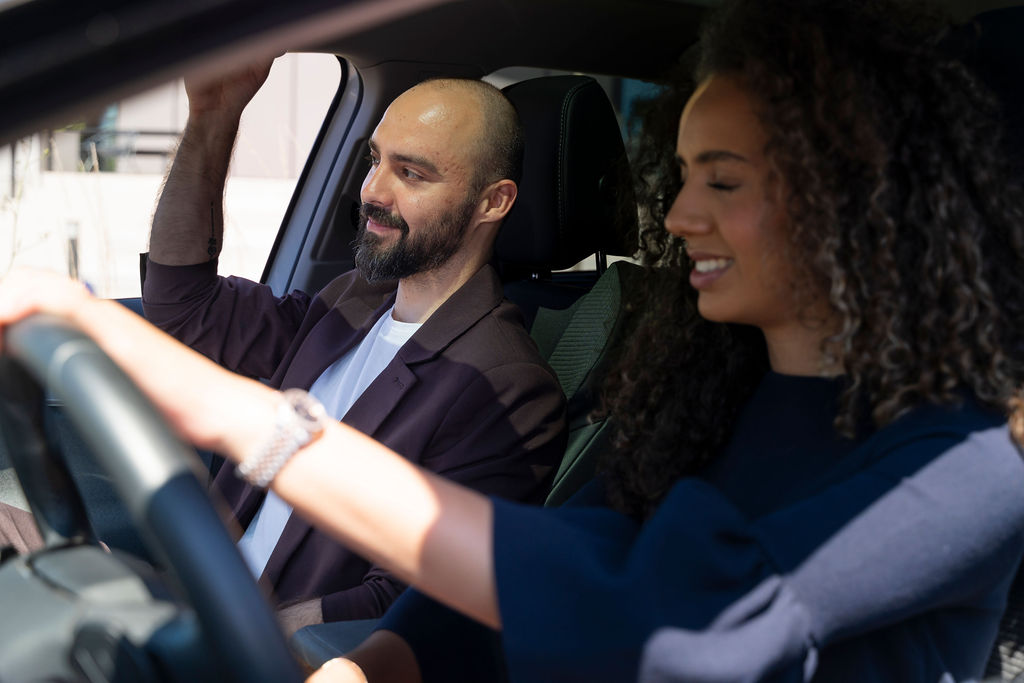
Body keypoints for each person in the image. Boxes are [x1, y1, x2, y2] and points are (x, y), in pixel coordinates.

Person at [2, 0, 1024, 680]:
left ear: (852, 201)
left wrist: (241, 417)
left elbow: (662, 618)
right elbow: (522, 578)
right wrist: (375, 664)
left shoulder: (967, 469)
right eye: (682, 180)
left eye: (723, 181)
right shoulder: (703, 404)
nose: (677, 219)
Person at [3, 66, 569, 633]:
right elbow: (183, 303)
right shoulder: (355, 298)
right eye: (375, 160)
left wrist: (224, 641)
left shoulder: (504, 384)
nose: (372, 191)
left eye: (411, 174)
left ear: (493, 202)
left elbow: (411, 602)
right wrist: (212, 118)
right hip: (192, 593)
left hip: (257, 643)